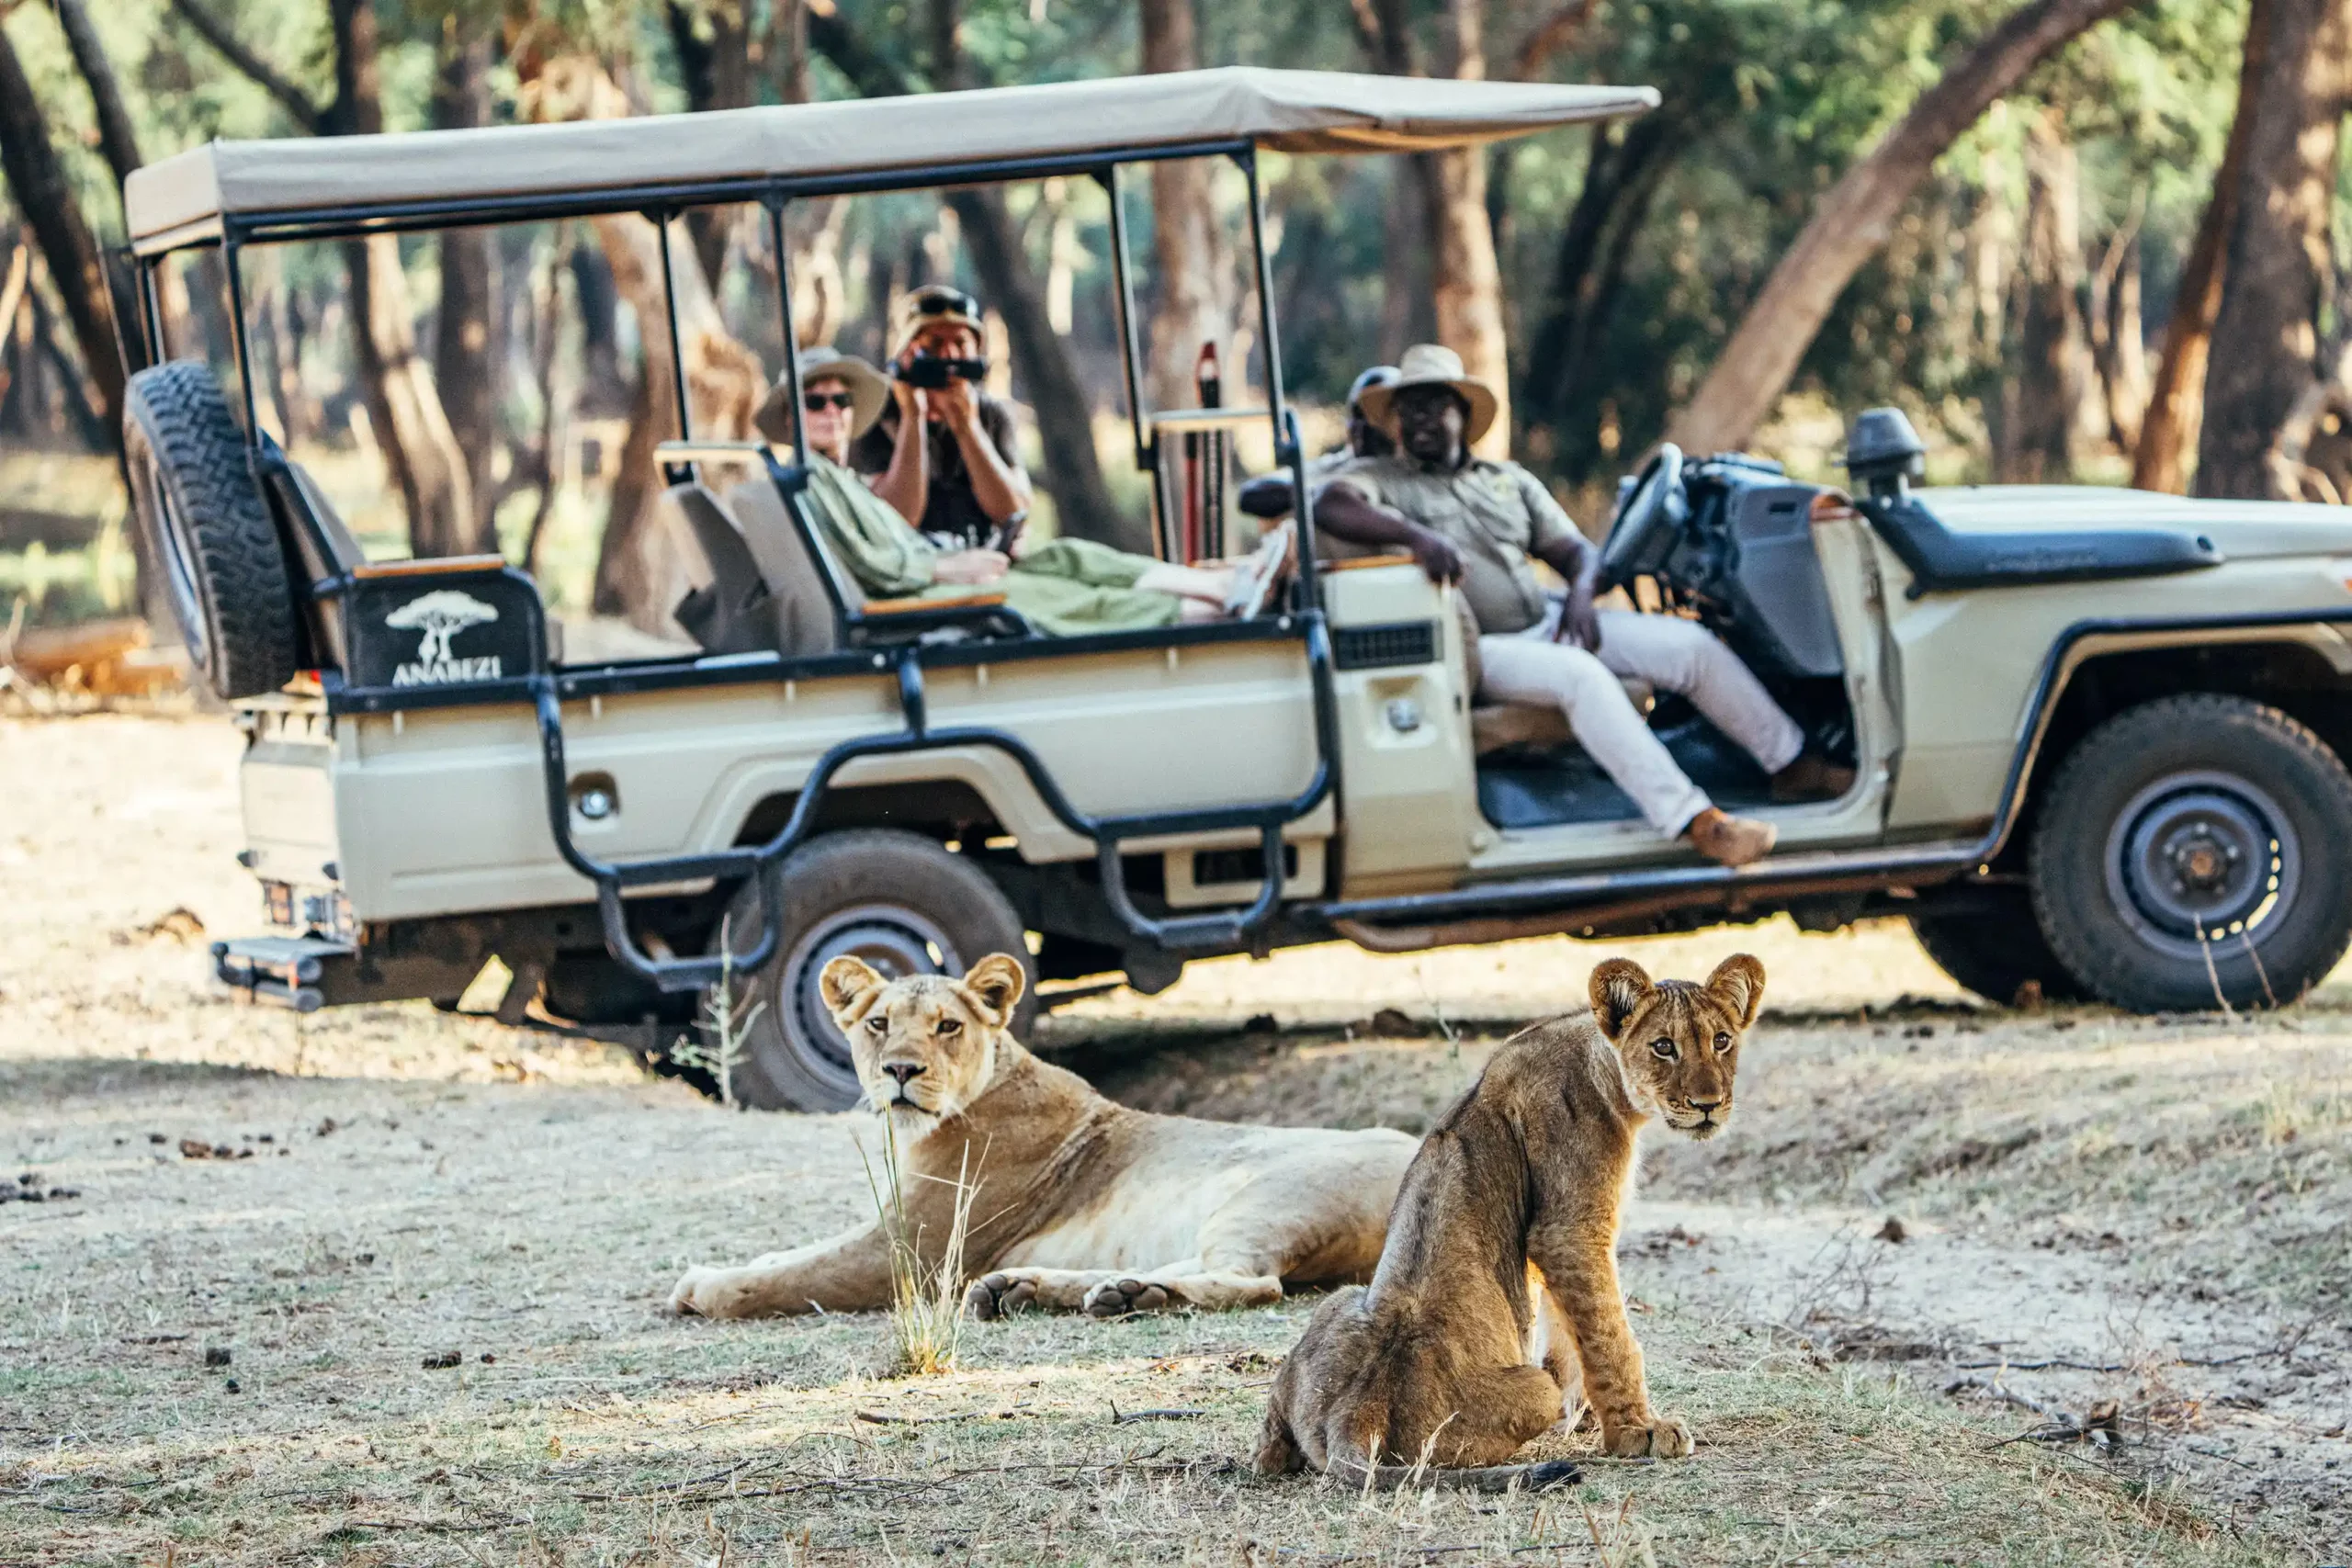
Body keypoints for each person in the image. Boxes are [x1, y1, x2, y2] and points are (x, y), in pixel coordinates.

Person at [1314, 344, 1849, 868]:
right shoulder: (1383, 481)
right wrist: (1416, 539)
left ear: (1463, 413)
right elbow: (1331, 506)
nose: (1418, 419)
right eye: (1408, 409)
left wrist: (1579, 598)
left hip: (1549, 619)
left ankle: (1795, 764)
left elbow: (1575, 553)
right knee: (1582, 675)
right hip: (1483, 650)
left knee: (1690, 645)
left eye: (1432, 404)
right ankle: (1697, 822)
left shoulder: (1508, 481)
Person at [753, 347, 1293, 637]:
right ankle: (1226, 609)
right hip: (912, 597)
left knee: (1067, 556)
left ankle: (1230, 589)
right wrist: (942, 570)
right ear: (788, 415)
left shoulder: (835, 476)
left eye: (840, 402)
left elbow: (899, 539)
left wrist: (958, 557)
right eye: (815, 402)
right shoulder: (809, 480)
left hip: (937, 570)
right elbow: (870, 562)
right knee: (1068, 598)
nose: (831, 414)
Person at [848, 286, 1034, 552]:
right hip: (914, 561)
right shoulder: (876, 416)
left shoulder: (991, 415)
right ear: (907, 353)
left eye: (960, 343)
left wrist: (967, 427)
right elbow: (896, 518)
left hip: (984, 557)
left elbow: (1014, 514)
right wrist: (913, 416)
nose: (949, 356)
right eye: (935, 344)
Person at [1237, 364, 1399, 522]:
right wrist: (1327, 494)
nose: (1364, 426)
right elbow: (1251, 494)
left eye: (1375, 415)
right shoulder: (1333, 468)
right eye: (1358, 415)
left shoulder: (1409, 471)